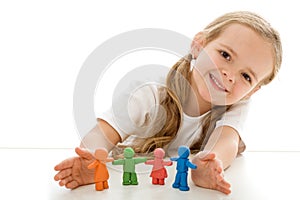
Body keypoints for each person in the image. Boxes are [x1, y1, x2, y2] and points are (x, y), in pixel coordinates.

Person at [54, 11, 282, 194]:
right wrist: (92, 156)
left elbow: (227, 142)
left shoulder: (236, 104)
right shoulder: (151, 89)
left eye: (246, 77)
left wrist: (210, 164)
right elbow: (104, 131)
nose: (230, 74)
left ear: (252, 91)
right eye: (225, 55)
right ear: (198, 45)